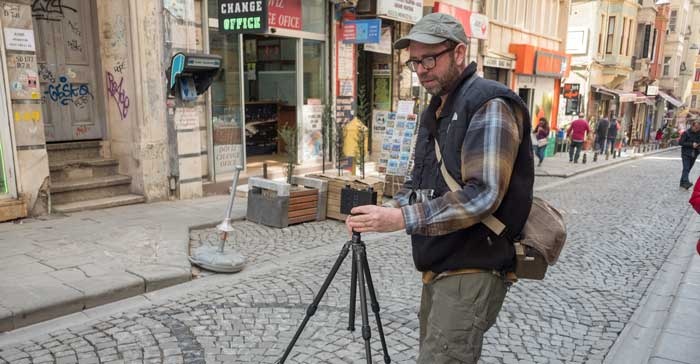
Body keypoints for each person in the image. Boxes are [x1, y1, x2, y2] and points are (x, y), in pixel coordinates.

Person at [345, 13, 533, 364]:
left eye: (430, 58)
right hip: (440, 268)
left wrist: (401, 219)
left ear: (459, 52)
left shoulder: (489, 104)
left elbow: (483, 195)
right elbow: (419, 184)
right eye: (415, 61)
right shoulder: (438, 108)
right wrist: (381, 213)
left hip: (472, 269)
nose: (421, 69)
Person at [679, 119, 700, 189]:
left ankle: (682, 183)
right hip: (686, 154)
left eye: (698, 128)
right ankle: (686, 182)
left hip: (694, 154)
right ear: (692, 126)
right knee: (686, 168)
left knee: (688, 169)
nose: (697, 129)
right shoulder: (686, 133)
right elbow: (681, 142)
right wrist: (691, 144)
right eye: (696, 128)